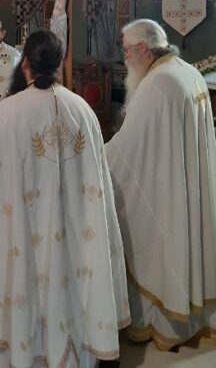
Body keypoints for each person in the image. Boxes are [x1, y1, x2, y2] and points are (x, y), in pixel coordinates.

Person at [0, 30, 130, 367]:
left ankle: (27, 353)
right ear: (59, 62)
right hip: (74, 232)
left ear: (24, 63)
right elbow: (97, 180)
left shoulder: (6, 113)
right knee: (71, 281)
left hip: (24, 232)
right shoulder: (82, 109)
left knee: (25, 279)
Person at [106, 19, 216, 350]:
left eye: (127, 49)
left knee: (154, 242)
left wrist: (96, 158)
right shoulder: (188, 71)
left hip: (166, 189)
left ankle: (159, 322)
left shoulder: (157, 83)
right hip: (185, 182)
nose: (125, 56)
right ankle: (192, 317)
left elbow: (129, 148)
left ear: (143, 48)